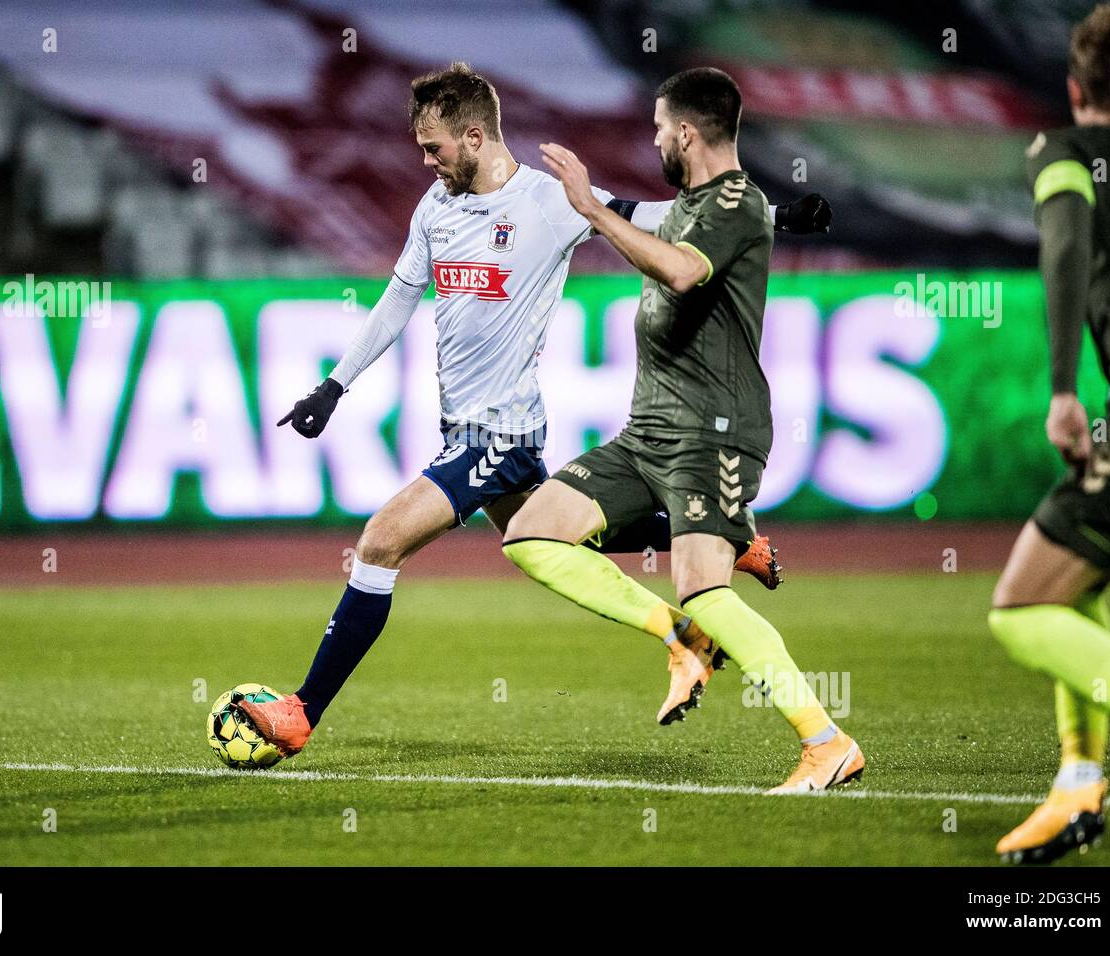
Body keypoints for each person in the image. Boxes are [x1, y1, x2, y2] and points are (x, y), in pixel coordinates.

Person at [239, 63, 829, 757]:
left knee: (379, 541)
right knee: (554, 536)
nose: (426, 162)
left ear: (476, 133)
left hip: (502, 432)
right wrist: (334, 386)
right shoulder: (435, 208)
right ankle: (716, 536)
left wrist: (776, 215)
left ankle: (303, 711)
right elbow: (400, 298)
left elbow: (654, 217)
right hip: (461, 425)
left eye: (435, 148)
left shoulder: (548, 202)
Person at [502, 67, 864, 793]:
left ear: (688, 133)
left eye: (661, 129)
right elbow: (651, 216)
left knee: (707, 588)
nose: (657, 140)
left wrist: (591, 212)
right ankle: (681, 632)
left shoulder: (732, 199)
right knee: (532, 533)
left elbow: (678, 270)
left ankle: (825, 742)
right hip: (648, 433)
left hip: (714, 433)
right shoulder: (707, 203)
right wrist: (585, 202)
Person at [989, 2, 1110, 865]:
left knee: (1020, 605)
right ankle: (1078, 787)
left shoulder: (1066, 152)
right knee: (1077, 587)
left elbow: (1064, 245)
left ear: (1076, 87)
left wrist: (1061, 388)